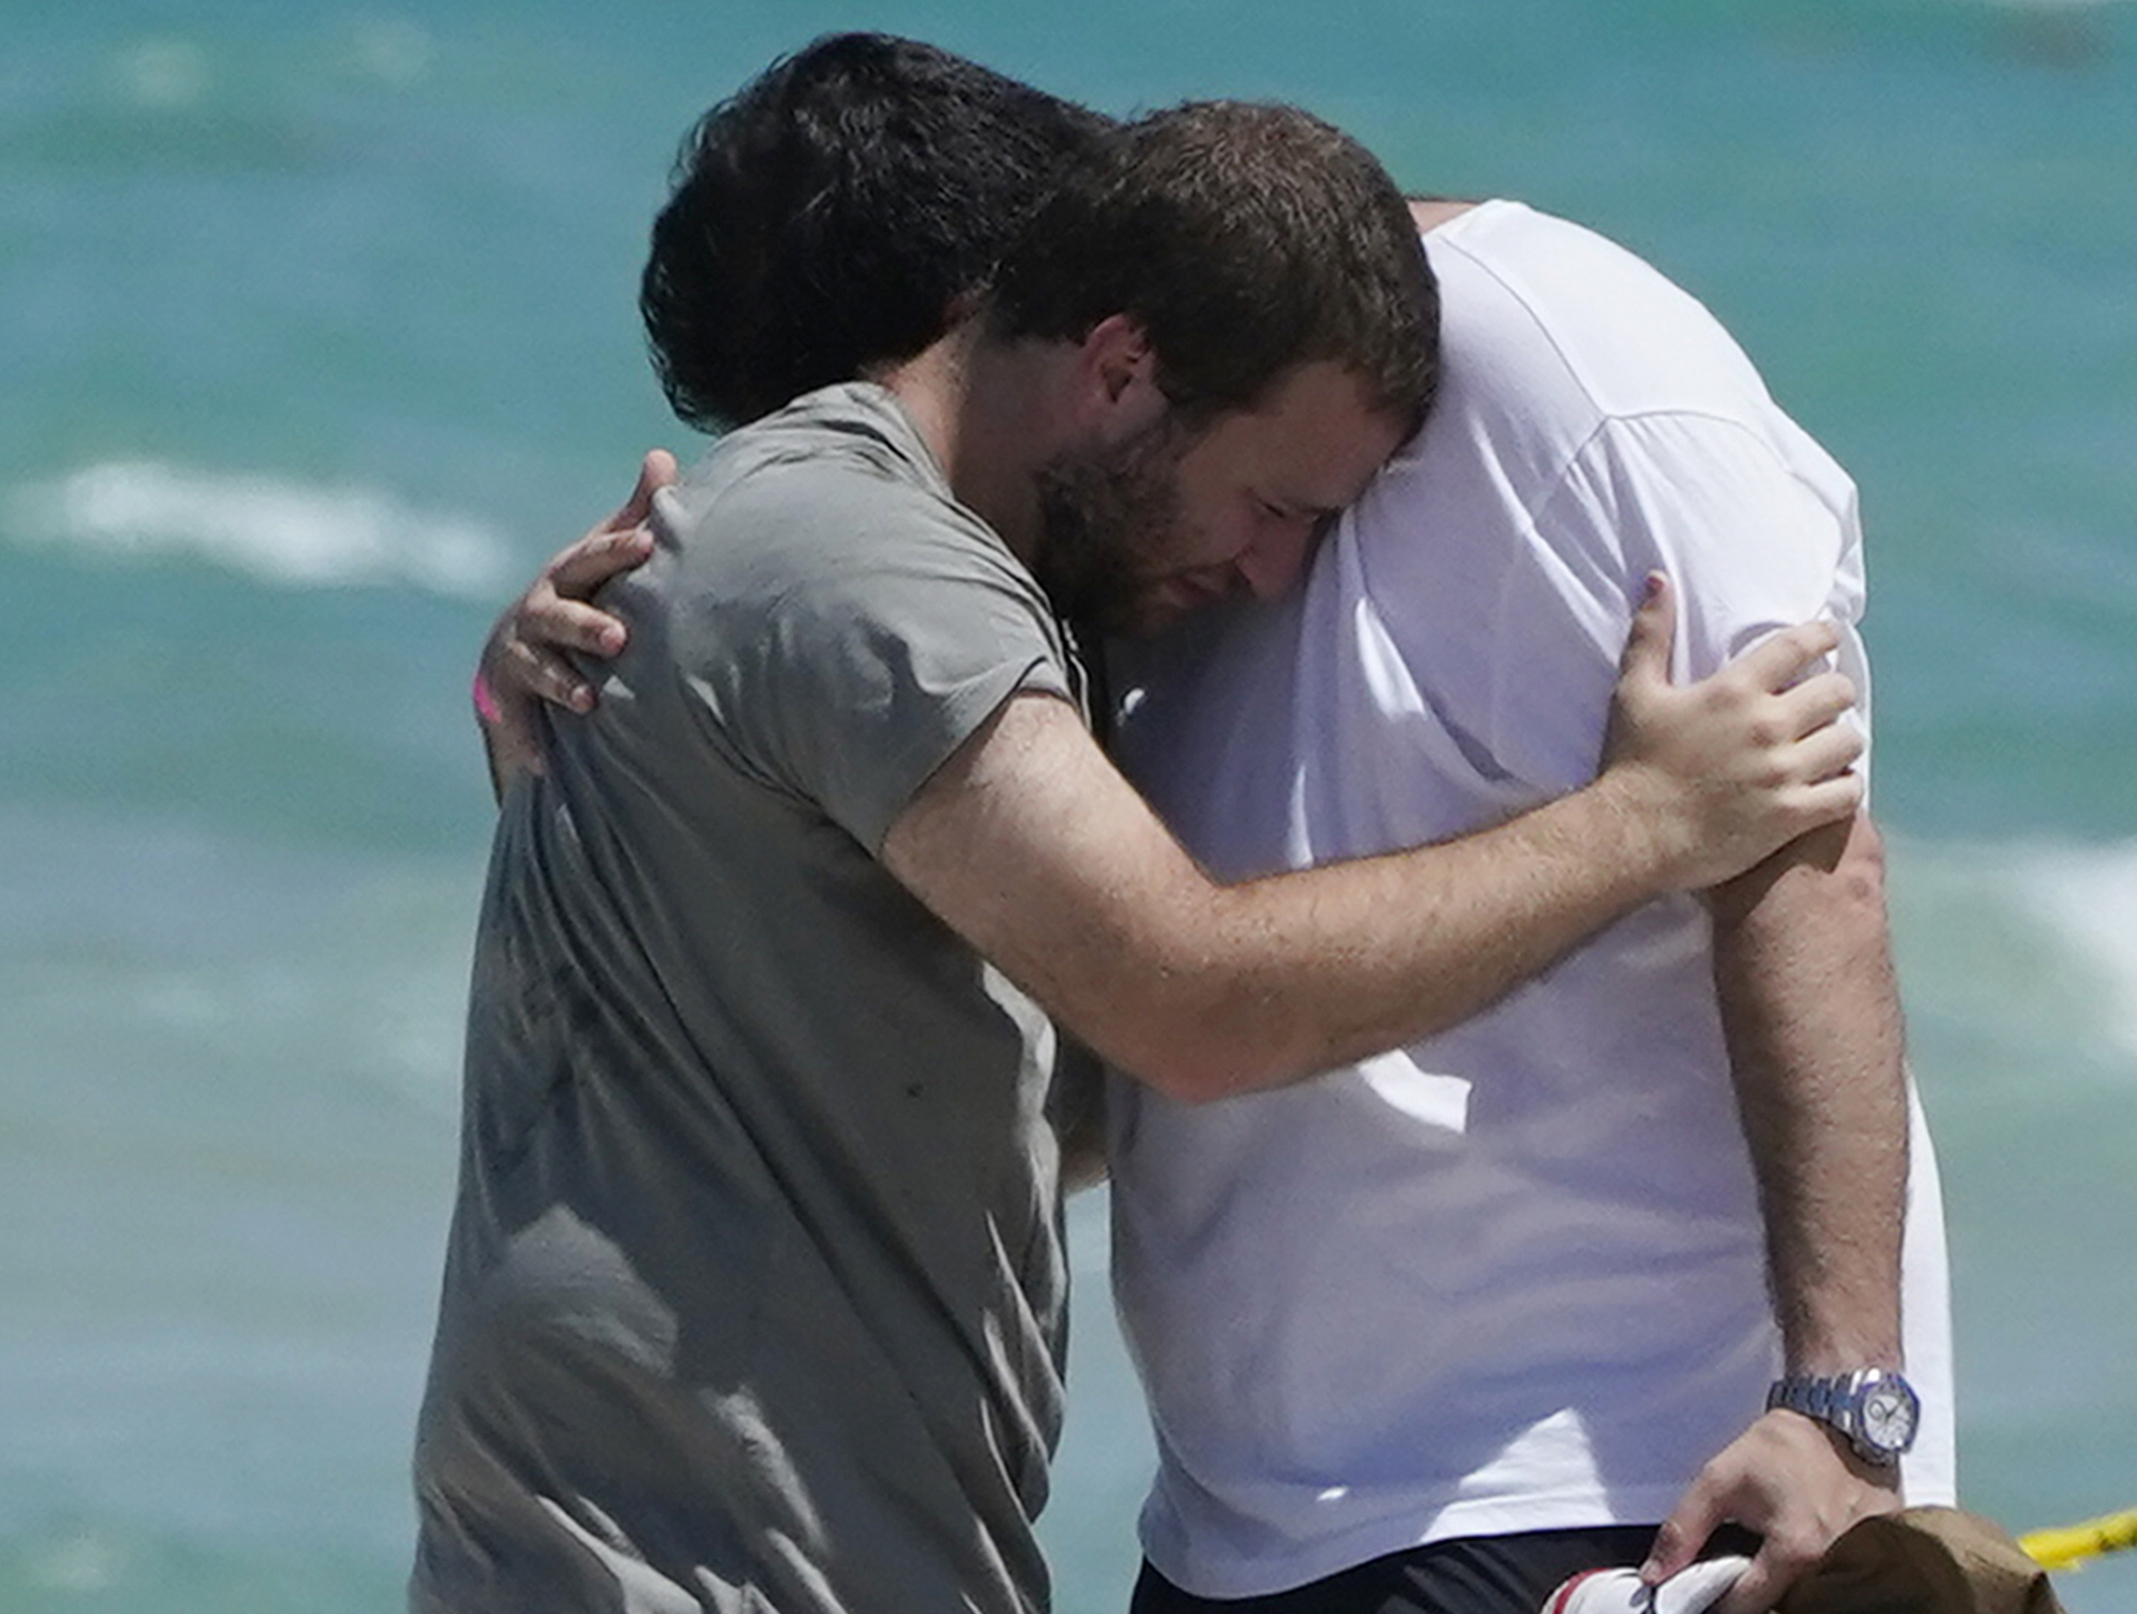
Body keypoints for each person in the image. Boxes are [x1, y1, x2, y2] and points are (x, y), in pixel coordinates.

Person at [419, 43, 1865, 1614]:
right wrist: (1650, 819)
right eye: (1277, 507)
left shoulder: (870, 579)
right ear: (1109, 357)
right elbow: (1190, 1007)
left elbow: (1051, 1095)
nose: (1269, 571)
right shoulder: (856, 556)